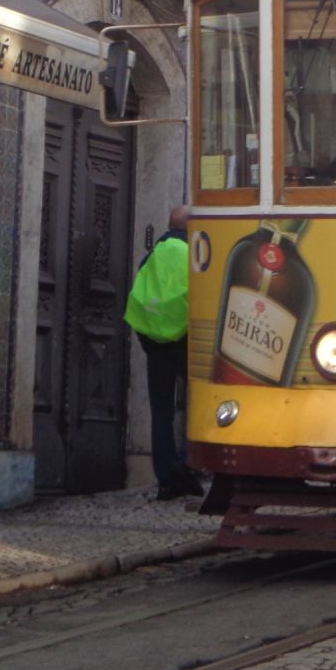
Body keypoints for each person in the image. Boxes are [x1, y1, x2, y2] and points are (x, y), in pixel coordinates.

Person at [124, 204, 203, 500]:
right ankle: (188, 462)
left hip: (155, 343)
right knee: (201, 404)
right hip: (186, 341)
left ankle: (166, 478)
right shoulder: (196, 254)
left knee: (161, 411)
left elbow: (141, 298)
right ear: (192, 228)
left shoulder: (153, 255)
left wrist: (149, 340)